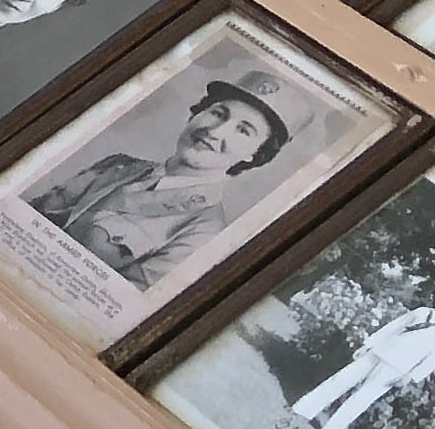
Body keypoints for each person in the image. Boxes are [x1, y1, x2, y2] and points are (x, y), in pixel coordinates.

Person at [25, 65, 293, 286]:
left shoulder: (205, 230)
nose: (215, 131)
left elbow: (123, 300)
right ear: (198, 112)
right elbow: (34, 214)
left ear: (255, 155)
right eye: (217, 113)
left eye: (243, 131)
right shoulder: (119, 165)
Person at [288, 298, 435, 429]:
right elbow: (392, 327)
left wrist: (412, 376)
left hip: (399, 366)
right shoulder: (423, 312)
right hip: (380, 350)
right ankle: (303, 409)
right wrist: (368, 345)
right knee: (340, 380)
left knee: (363, 398)